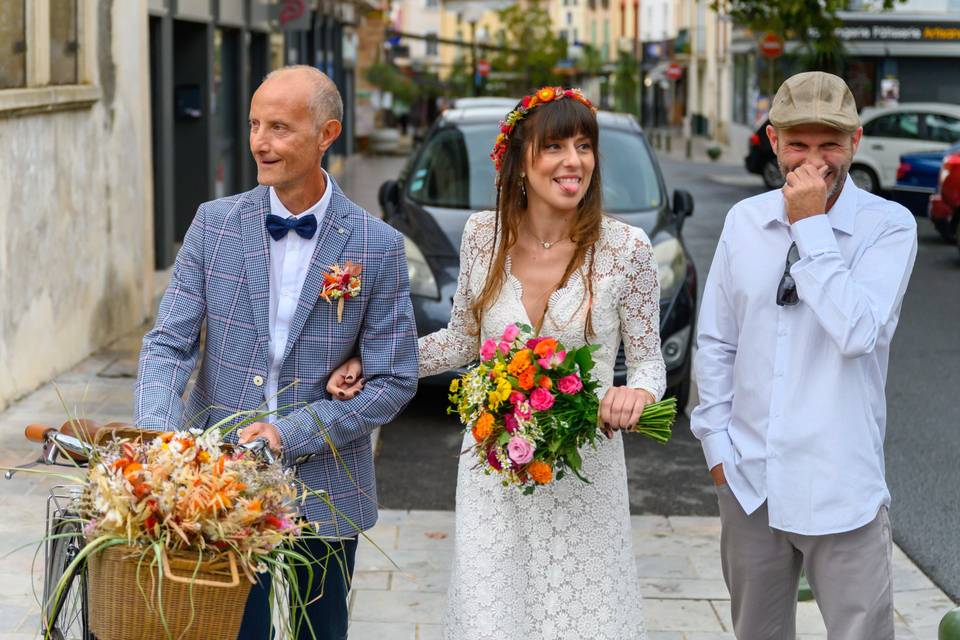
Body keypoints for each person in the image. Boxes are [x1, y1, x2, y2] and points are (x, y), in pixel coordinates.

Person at [330, 86, 666, 639]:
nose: (573, 161)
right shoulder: (483, 237)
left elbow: (650, 363)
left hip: (586, 477)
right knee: (492, 620)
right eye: (555, 146)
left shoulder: (627, 249)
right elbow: (462, 340)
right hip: (494, 472)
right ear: (519, 159)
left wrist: (638, 395)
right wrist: (377, 363)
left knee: (581, 621)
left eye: (584, 146)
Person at [133, 65, 419, 640]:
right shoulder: (212, 225)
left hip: (328, 482)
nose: (261, 142)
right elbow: (168, 344)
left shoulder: (377, 245)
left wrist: (292, 433)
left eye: (281, 128)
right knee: (231, 631)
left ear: (327, 134)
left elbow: (394, 379)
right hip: (218, 484)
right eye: (255, 124)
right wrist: (163, 443)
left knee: (322, 631)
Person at [691, 71, 917, 639]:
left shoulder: (888, 227)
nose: (814, 160)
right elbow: (717, 341)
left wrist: (811, 224)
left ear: (856, 143)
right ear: (772, 140)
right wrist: (717, 449)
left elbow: (857, 330)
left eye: (830, 145)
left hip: (841, 483)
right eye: (798, 144)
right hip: (749, 481)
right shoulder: (745, 222)